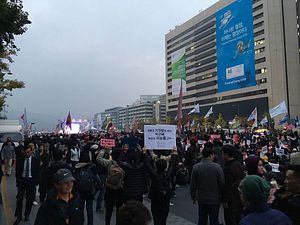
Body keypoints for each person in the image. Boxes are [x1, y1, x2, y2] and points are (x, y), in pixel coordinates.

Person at [144, 146, 177, 225]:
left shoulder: (154, 175)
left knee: (156, 218)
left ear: (156, 166)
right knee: (163, 218)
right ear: (166, 167)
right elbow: (172, 166)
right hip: (165, 199)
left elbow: (148, 166)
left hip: (155, 198)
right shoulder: (167, 175)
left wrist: (145, 153)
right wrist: (174, 153)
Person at [190, 147, 225, 225]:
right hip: (214, 198)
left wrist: (193, 196)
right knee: (214, 220)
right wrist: (222, 197)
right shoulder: (217, 167)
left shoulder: (196, 167)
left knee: (202, 219)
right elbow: (222, 183)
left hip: (202, 198)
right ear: (211, 155)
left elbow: (193, 184)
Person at [97, 146, 125, 225]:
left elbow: (98, 159)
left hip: (110, 187)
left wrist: (103, 150)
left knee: (109, 208)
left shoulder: (109, 163)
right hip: (120, 188)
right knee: (119, 208)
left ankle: (107, 222)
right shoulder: (124, 164)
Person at [14, 145, 40, 225]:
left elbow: (38, 171)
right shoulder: (20, 160)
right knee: (19, 198)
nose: (27, 154)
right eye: (26, 152)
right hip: (22, 180)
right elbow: (17, 172)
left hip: (30, 181)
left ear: (32, 152)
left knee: (29, 199)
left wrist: (36, 181)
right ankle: (18, 216)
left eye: (29, 152)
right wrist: (18, 182)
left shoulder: (35, 160)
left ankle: (26, 215)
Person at [74, 152, 101, 225]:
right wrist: (95, 190)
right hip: (90, 192)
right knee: (90, 209)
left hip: (80, 192)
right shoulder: (92, 168)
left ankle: (81, 222)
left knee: (80, 209)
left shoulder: (77, 168)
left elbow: (74, 181)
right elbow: (99, 182)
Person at [222, 145, 245, 225]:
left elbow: (226, 186)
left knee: (230, 219)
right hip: (239, 198)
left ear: (227, 154)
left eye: (223, 153)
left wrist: (225, 200)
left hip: (231, 199)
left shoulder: (228, 168)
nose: (222, 156)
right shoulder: (238, 164)